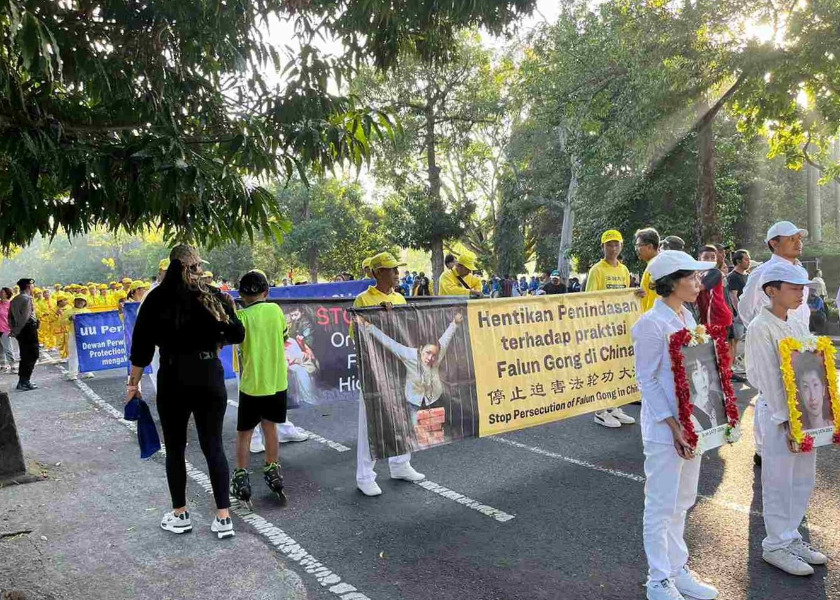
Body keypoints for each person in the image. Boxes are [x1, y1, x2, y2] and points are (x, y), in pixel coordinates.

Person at [127, 244, 245, 539]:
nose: (199, 271)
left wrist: (133, 385)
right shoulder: (212, 296)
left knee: (176, 448)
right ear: (188, 267)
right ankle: (223, 517)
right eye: (196, 266)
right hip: (209, 376)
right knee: (213, 445)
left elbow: (141, 348)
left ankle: (180, 514)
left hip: (174, 377)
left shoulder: (156, 298)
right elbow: (237, 333)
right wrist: (216, 334)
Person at [631, 251, 720, 600]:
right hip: (664, 430)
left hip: (692, 426)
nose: (698, 284)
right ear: (671, 281)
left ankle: (677, 569)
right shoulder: (649, 324)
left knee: (682, 501)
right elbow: (647, 381)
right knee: (660, 505)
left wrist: (704, 420)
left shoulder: (687, 316)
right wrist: (673, 427)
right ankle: (657, 580)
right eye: (692, 278)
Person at [745, 261, 827, 575]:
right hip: (780, 415)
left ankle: (791, 536)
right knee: (778, 480)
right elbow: (765, 378)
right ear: (772, 291)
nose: (800, 294)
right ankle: (775, 545)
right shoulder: (760, 327)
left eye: (802, 288)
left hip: (804, 413)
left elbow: (808, 365)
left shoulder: (793, 321)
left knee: (802, 478)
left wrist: (816, 415)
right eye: (793, 288)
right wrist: (788, 421)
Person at [353, 252, 426, 497]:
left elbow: (405, 333)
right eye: (392, 270)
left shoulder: (400, 298)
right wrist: (379, 314)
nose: (397, 274)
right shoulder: (363, 300)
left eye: (397, 269)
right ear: (377, 273)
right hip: (373, 369)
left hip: (398, 369)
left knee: (405, 416)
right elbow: (358, 334)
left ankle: (401, 464)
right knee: (371, 421)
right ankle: (365, 476)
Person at [739, 221, 810, 466]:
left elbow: (803, 310)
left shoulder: (800, 270)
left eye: (799, 237)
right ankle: (762, 448)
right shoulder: (763, 273)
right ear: (774, 243)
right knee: (769, 395)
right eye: (791, 238)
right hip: (772, 341)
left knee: (797, 392)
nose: (798, 241)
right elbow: (746, 308)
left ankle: (799, 432)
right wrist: (766, 332)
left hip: (798, 340)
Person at [230, 270, 288, 507]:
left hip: (252, 385)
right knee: (270, 427)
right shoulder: (276, 310)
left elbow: (235, 339)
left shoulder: (241, 317)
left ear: (242, 294)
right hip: (277, 382)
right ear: (267, 292)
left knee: (245, 433)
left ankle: (242, 475)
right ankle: (273, 469)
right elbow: (284, 337)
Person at [586, 230, 636, 428]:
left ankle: (614, 406)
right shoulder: (597, 270)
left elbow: (624, 295)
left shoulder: (624, 270)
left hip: (619, 326)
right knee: (603, 367)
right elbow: (588, 299)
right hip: (602, 327)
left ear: (621, 246)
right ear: (603, 247)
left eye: (616, 244)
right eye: (609, 245)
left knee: (616, 367)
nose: (613, 248)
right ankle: (600, 411)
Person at [9, 278, 40, 391]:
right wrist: (17, 330)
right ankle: (24, 381)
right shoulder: (27, 299)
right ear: (28, 286)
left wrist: (14, 329)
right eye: (32, 286)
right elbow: (25, 317)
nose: (33, 288)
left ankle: (22, 381)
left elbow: (10, 317)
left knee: (25, 355)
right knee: (32, 354)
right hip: (27, 329)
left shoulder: (14, 299)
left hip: (20, 330)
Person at [695, 245, 733, 329]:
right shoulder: (700, 274)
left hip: (719, 318)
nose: (709, 260)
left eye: (713, 257)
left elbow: (700, 288)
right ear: (699, 258)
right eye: (706, 257)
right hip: (708, 318)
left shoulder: (715, 272)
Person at [794, 353, 833, 430]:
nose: (813, 397)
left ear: (823, 389)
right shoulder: (799, 434)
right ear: (800, 394)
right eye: (806, 387)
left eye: (815, 385)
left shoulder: (835, 428)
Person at [727, 250, 750, 374]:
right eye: (746, 259)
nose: (748, 261)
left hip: (746, 314)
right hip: (737, 315)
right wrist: (740, 313)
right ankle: (732, 366)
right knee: (734, 341)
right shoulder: (733, 276)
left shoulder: (746, 275)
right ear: (738, 261)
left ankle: (737, 363)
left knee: (743, 340)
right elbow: (733, 296)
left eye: (748, 259)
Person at [64, 294, 95, 381]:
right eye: (77, 300)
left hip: (86, 334)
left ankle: (87, 371)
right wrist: (70, 319)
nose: (79, 302)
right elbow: (62, 323)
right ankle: (73, 373)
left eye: (82, 300)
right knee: (73, 354)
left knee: (87, 353)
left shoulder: (88, 311)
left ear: (85, 302)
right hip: (73, 334)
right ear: (74, 301)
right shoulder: (68, 311)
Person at [634, 228, 661, 313]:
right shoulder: (651, 265)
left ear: (650, 247)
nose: (636, 249)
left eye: (639, 245)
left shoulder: (658, 266)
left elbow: (658, 299)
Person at [0, 287, 15, 374]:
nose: (1, 294)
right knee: (0, 350)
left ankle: (13, 366)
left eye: (2, 292)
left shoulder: (10, 304)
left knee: (8, 349)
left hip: (6, 329)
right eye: (0, 292)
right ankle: (2, 366)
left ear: (7, 294)